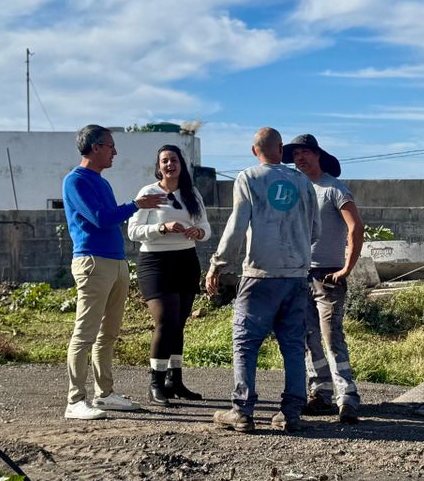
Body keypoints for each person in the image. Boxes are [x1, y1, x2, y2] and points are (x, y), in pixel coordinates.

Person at [206, 127, 319, 433]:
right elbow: (316, 231)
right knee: (294, 346)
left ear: (254, 150)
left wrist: (218, 264)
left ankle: (242, 411)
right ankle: (291, 413)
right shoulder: (302, 182)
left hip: (260, 276)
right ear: (281, 149)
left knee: (245, 343)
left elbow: (237, 225)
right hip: (296, 276)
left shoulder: (249, 178)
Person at [62, 125, 165, 420]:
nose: (115, 152)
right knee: (85, 333)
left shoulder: (101, 182)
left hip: (116, 261)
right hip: (92, 262)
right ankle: (75, 400)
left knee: (108, 333)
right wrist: (135, 205)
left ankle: (103, 394)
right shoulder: (75, 181)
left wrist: (132, 207)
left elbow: (109, 217)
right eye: (110, 146)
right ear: (95, 147)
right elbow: (100, 218)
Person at [283, 134, 365, 424]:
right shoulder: (296, 189)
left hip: (328, 275)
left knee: (331, 338)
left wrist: (346, 269)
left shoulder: (334, 188)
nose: (300, 158)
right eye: (295, 154)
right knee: (308, 338)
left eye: (305, 152)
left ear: (318, 155)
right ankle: (320, 394)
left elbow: (356, 228)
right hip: (300, 274)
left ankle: (348, 397)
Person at [127, 144, 211, 407]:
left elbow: (206, 227)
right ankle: (156, 383)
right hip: (155, 262)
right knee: (165, 319)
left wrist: (198, 233)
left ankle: (175, 381)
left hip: (186, 260)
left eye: (173, 160)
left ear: (181, 164)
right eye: (164, 161)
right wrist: (162, 227)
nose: (169, 164)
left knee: (179, 323)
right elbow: (133, 231)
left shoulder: (191, 193)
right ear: (158, 166)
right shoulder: (148, 192)